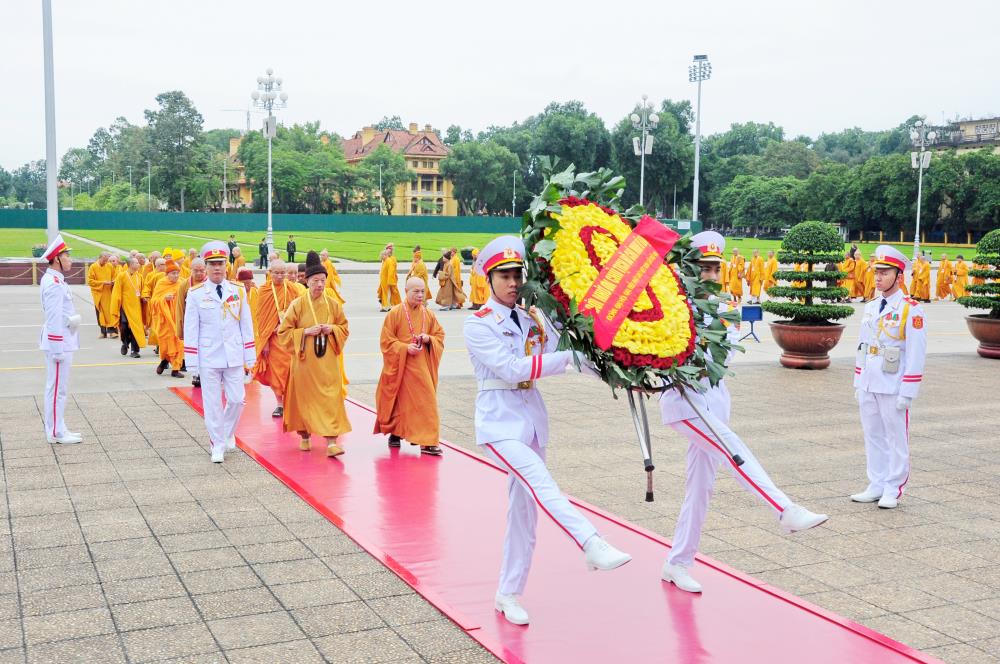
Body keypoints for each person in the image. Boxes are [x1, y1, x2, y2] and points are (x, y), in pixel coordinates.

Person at [464, 235, 631, 626]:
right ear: (488, 280)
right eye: (503, 275)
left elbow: (571, 352)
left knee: (524, 513)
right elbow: (511, 369)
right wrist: (565, 358)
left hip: (532, 421)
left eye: (517, 274)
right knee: (541, 483)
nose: (512, 282)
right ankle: (591, 542)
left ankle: (508, 593)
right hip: (499, 422)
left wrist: (617, 377)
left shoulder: (533, 318)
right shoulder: (478, 324)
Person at [660, 232, 828, 594]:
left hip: (714, 400)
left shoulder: (725, 309)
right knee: (731, 448)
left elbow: (724, 356)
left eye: (713, 269)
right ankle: (783, 508)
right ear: (688, 268)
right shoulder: (673, 307)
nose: (708, 275)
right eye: (702, 267)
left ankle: (677, 563)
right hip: (685, 403)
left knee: (700, 489)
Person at [851, 245, 927, 509]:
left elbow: (916, 353)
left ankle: (893, 488)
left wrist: (908, 391)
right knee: (872, 433)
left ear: (899, 276)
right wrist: (858, 381)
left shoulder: (910, 309)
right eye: (877, 272)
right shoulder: (871, 306)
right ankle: (876, 483)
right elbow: (862, 346)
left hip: (893, 383)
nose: (879, 277)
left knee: (896, 437)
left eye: (885, 272)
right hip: (870, 380)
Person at [184, 241, 257, 463]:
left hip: (234, 354)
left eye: (221, 264)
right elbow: (191, 329)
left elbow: (246, 324)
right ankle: (217, 443)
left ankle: (225, 433)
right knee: (213, 404)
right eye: (212, 264)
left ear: (227, 266)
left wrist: (250, 355)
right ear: (205, 267)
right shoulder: (196, 294)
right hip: (208, 356)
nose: (217, 268)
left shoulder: (237, 290)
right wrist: (193, 362)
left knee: (237, 400)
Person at [277, 251, 351, 457]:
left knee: (331, 399)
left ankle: (331, 443)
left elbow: (344, 328)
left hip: (328, 364)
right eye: (316, 280)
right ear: (307, 281)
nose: (320, 284)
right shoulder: (298, 305)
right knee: (304, 400)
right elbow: (283, 332)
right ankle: (305, 436)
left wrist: (332, 329)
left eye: (323, 280)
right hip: (305, 364)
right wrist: (305, 332)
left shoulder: (333, 304)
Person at [374, 277, 446, 455]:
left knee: (427, 402)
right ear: (406, 292)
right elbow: (386, 342)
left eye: (423, 291)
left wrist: (429, 339)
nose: (420, 295)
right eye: (416, 291)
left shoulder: (428, 314)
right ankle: (396, 433)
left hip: (422, 368)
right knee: (399, 402)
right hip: (400, 367)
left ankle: (428, 441)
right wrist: (405, 348)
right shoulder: (395, 313)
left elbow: (439, 335)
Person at [39, 235, 83, 445]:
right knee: (58, 388)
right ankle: (56, 431)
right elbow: (53, 317)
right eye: (67, 256)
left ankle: (58, 426)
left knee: (57, 387)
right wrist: (57, 348)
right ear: (57, 258)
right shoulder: (54, 283)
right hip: (59, 343)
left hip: (62, 340)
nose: (70, 260)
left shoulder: (55, 280)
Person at [254, 260, 295, 418]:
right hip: (273, 339)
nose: (279, 276)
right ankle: (279, 404)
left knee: (291, 373)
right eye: (276, 273)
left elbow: (297, 313)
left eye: (282, 272)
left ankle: (291, 403)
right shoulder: (264, 291)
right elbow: (261, 317)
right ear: (270, 273)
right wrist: (264, 342)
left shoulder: (292, 288)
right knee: (277, 373)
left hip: (290, 339)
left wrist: (285, 325)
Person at [151, 261, 185, 378]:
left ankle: (175, 369)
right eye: (173, 273)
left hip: (178, 318)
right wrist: (164, 299)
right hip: (165, 320)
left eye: (177, 273)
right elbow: (154, 301)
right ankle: (164, 360)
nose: (176, 276)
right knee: (166, 344)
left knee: (179, 343)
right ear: (167, 274)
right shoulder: (161, 283)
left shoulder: (181, 283)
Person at [176, 257, 207, 387]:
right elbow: (180, 307)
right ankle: (196, 374)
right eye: (196, 271)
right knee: (194, 350)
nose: (199, 273)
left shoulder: (210, 282)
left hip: (207, 324)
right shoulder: (185, 285)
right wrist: (181, 328)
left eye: (202, 270)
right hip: (192, 325)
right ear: (191, 270)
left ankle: (205, 374)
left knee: (206, 350)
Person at [110, 256, 146, 358]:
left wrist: (144, 297)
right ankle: (125, 343)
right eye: (136, 263)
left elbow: (143, 290)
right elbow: (116, 292)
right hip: (124, 307)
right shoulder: (121, 276)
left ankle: (135, 350)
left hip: (136, 308)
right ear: (130, 265)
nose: (138, 264)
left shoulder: (140, 277)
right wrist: (116, 305)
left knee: (136, 328)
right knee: (124, 327)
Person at [87, 251, 117, 338]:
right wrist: (103, 283)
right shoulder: (93, 267)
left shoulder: (109, 266)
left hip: (108, 293)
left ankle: (112, 331)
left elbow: (114, 276)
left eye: (107, 260)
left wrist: (113, 282)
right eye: (104, 260)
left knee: (110, 311)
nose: (106, 262)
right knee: (100, 312)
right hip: (98, 293)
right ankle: (103, 332)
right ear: (100, 258)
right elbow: (90, 281)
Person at [377, 245, 402, 311]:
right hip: (384, 281)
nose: (381, 257)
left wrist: (390, 281)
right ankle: (387, 306)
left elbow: (391, 272)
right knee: (386, 294)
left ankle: (387, 307)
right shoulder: (385, 261)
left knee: (388, 294)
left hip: (387, 281)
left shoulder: (389, 261)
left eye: (382, 256)